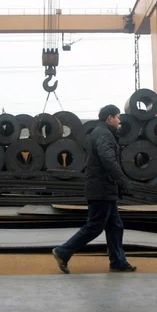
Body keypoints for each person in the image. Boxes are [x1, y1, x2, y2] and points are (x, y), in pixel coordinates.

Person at [52, 105, 136, 274]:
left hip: (104, 188)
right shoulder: (104, 134)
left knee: (115, 226)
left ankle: (118, 261)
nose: (120, 121)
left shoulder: (100, 132)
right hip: (101, 189)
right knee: (94, 227)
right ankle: (63, 251)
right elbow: (108, 159)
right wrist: (123, 182)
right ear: (109, 118)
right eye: (118, 117)